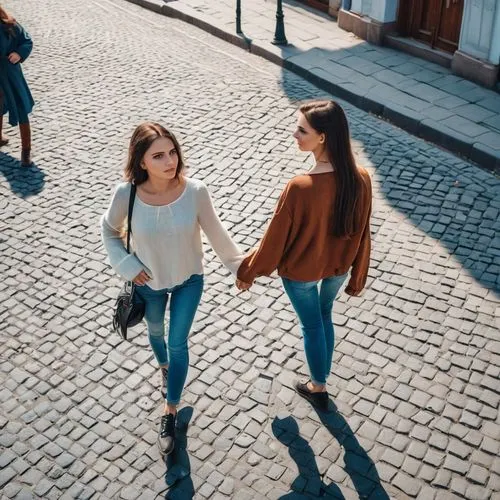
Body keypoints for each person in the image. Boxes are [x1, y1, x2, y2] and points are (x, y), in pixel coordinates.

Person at [101, 123, 243, 456]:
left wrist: (242, 268)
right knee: (155, 333)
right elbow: (109, 231)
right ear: (142, 162)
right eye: (159, 156)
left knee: (178, 342)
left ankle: (170, 410)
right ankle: (164, 367)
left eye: (173, 152)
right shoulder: (127, 195)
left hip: (189, 281)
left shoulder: (195, 191)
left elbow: (218, 235)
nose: (170, 161)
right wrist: (127, 266)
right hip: (148, 285)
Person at [236, 100, 372, 412]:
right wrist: (357, 275)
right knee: (324, 317)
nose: (294, 134)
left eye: (301, 129)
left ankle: (317, 386)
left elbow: (273, 243)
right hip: (338, 268)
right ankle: (320, 379)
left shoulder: (300, 187)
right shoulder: (361, 176)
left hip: (302, 275)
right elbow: (364, 232)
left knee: (312, 325)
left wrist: (247, 272)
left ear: (322, 137)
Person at [0, 5, 34, 166]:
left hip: (10, 73)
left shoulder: (9, 24)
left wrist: (19, 53)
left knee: (20, 107)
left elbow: (26, 41)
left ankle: (26, 151)